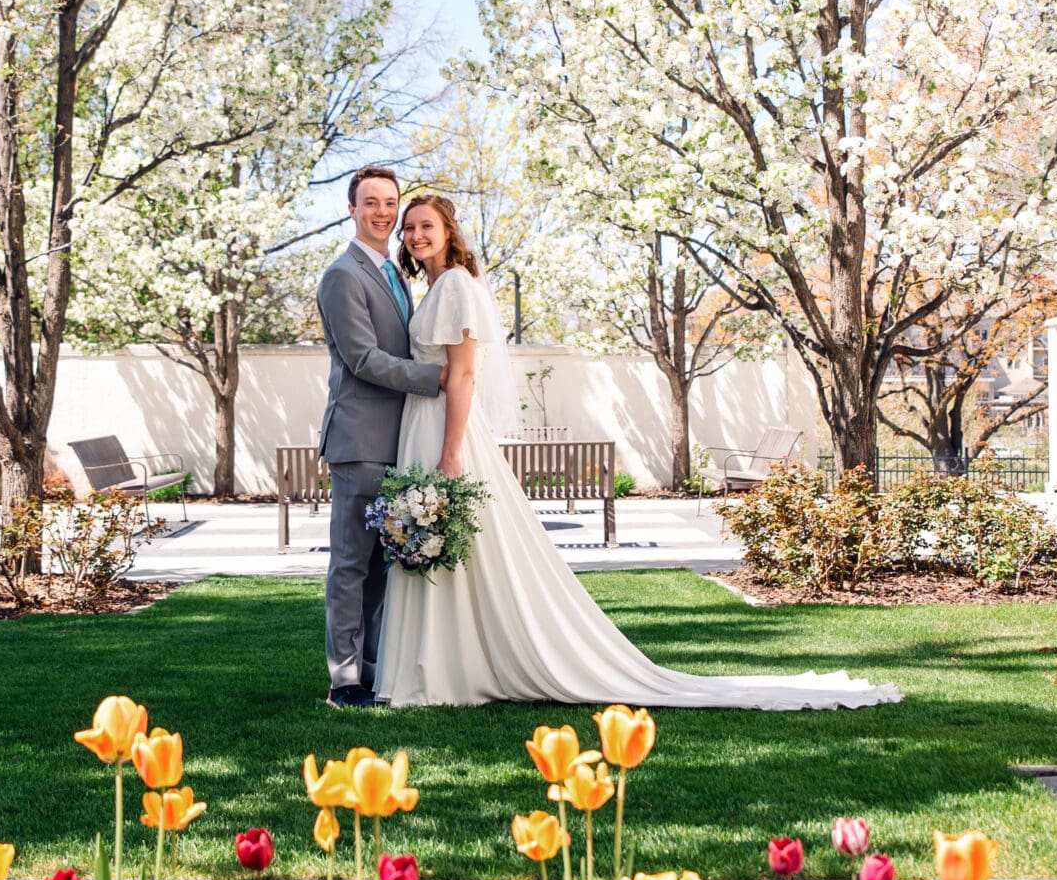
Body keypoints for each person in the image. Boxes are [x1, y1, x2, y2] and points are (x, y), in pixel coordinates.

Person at [374, 192, 902, 712]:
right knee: (449, 544)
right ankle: (440, 663)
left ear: (449, 233)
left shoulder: (456, 289)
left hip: (446, 428)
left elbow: (464, 375)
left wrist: (450, 452)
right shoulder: (438, 286)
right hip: (425, 423)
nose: (417, 236)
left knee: (458, 542)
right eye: (411, 229)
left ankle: (448, 669)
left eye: (427, 227)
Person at [316, 165, 447, 706]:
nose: (383, 212)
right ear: (352, 208)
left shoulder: (394, 272)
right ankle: (343, 681)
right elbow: (364, 359)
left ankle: (371, 670)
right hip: (359, 441)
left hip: (397, 442)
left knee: (379, 566)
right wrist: (436, 379)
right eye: (371, 202)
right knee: (351, 563)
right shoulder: (343, 275)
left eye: (390, 202)